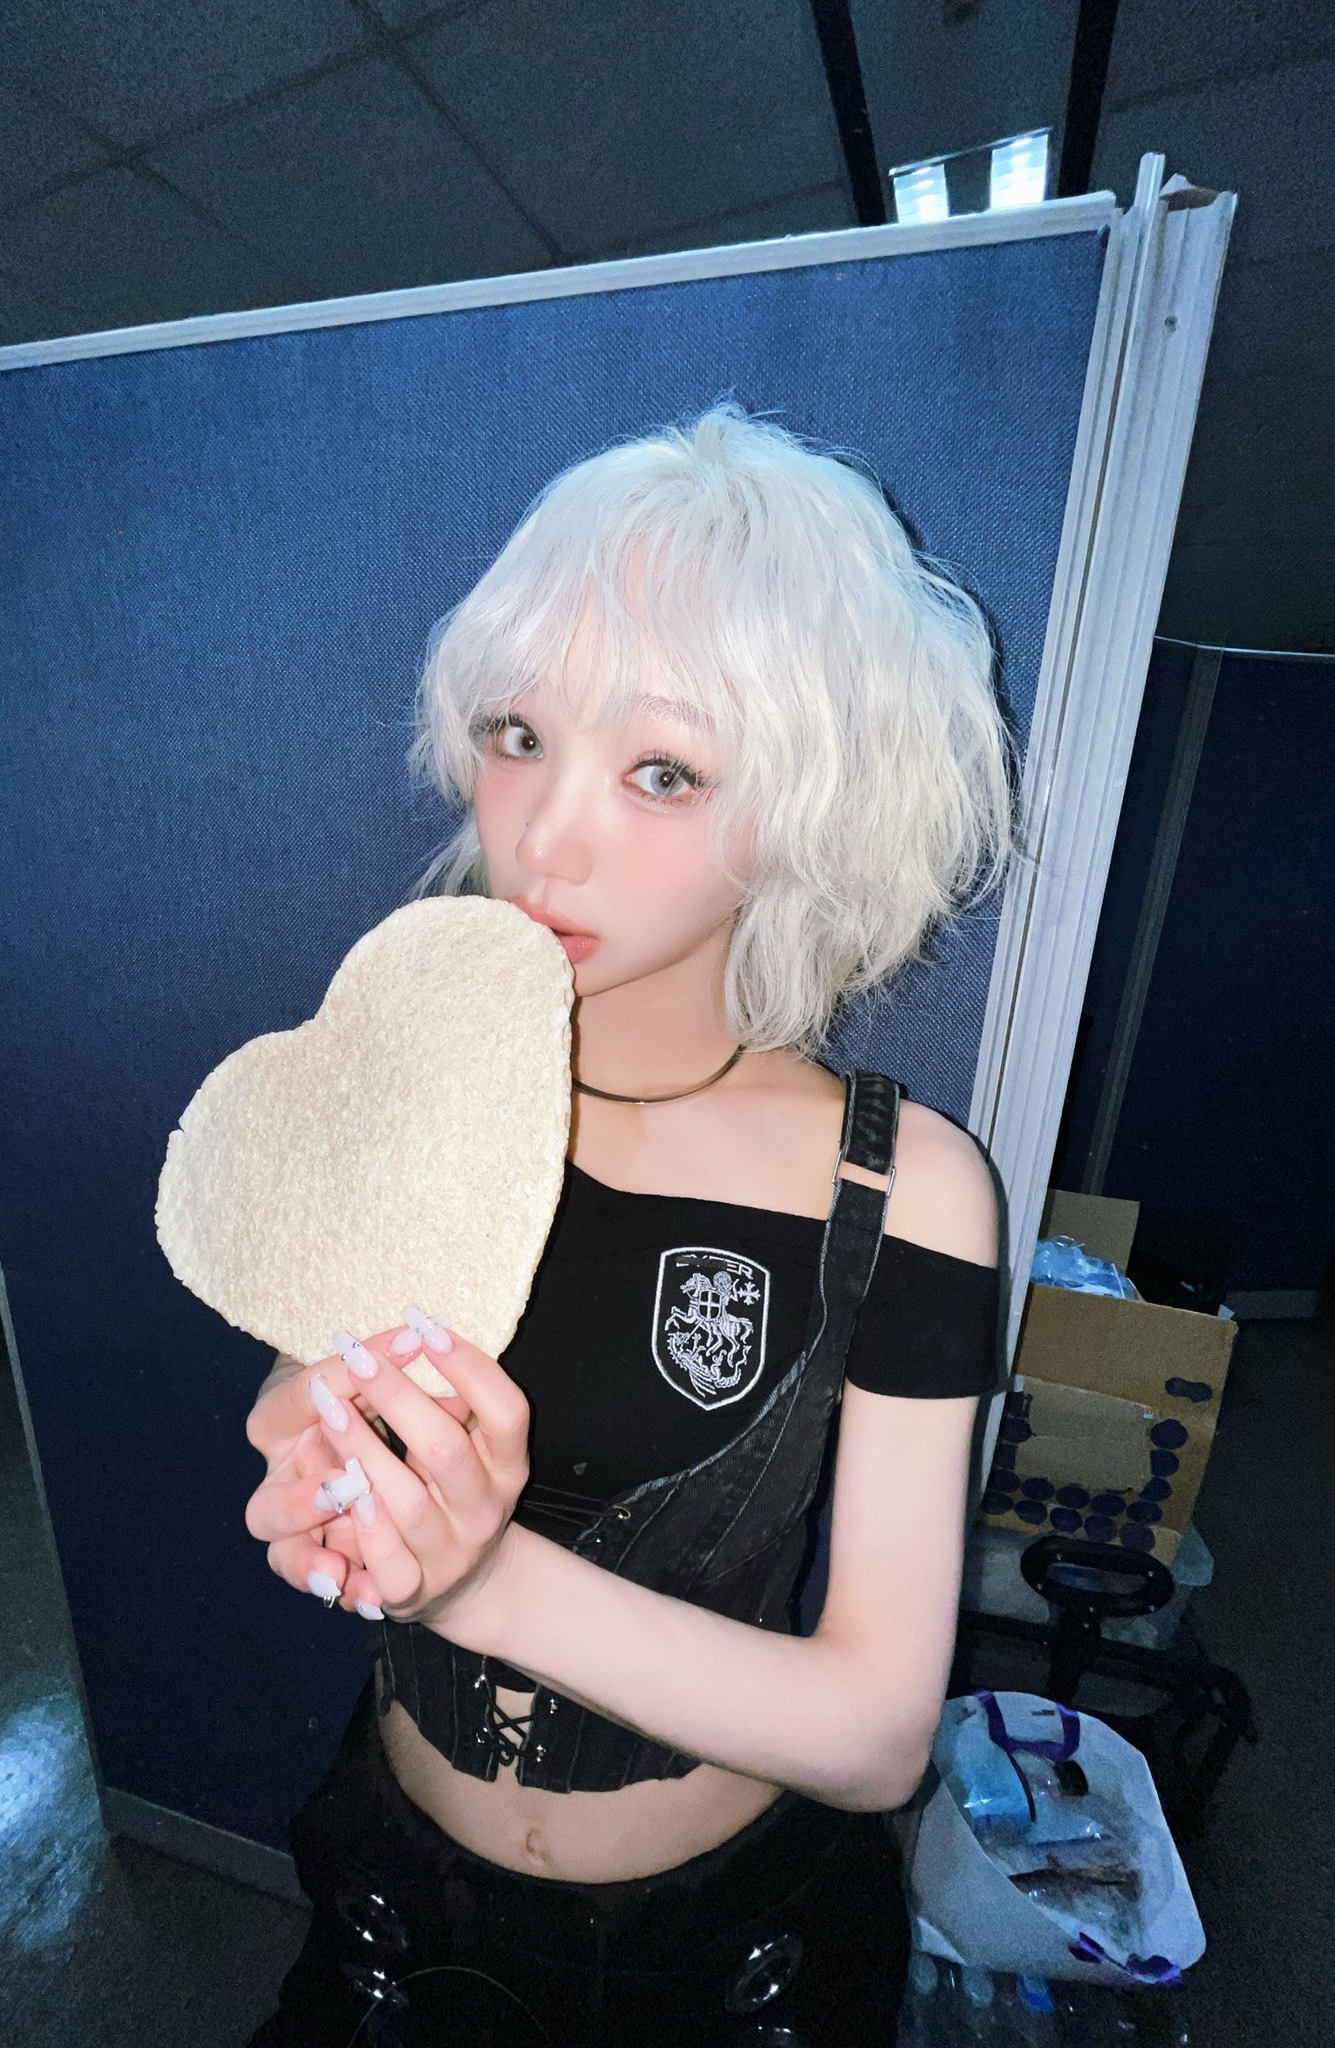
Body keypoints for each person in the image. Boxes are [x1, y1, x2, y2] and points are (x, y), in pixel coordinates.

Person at [242, 401, 1017, 2048]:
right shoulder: (419, 1081)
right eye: (519, 735)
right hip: (389, 1897)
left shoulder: (907, 1189)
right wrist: (315, 1451)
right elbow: (313, 1389)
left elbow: (880, 1734)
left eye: (663, 770)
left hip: (718, 1969)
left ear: (809, 805)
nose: (546, 834)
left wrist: (472, 1579)